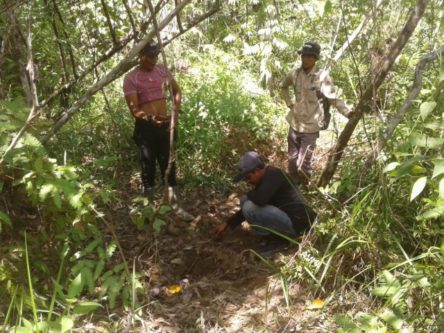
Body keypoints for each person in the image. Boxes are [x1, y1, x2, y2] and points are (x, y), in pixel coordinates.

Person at [123, 41, 193, 220]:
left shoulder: (162, 70)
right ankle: (149, 212)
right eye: (151, 57)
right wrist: (148, 118)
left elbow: (177, 92)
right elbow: (134, 109)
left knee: (169, 165)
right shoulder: (132, 78)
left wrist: (174, 115)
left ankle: (176, 207)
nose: (154, 60)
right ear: (141, 56)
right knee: (148, 168)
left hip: (165, 127)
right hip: (146, 130)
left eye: (156, 56)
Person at [213, 151, 316, 255]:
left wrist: (250, 194)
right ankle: (270, 237)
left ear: (257, 170)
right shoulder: (266, 178)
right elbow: (255, 200)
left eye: (248, 177)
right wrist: (228, 224)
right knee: (245, 201)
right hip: (289, 219)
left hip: (298, 225)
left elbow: (259, 200)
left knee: (249, 205)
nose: (247, 181)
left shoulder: (274, 174)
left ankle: (279, 241)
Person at [280, 41, 354, 185]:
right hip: (295, 123)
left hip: (311, 126)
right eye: (303, 55)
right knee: (292, 161)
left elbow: (333, 98)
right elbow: (283, 87)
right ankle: (293, 188)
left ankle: (305, 187)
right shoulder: (295, 73)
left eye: (309, 56)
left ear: (315, 59)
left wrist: (347, 112)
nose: (305, 59)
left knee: (303, 164)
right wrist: (289, 103)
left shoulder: (322, 77)